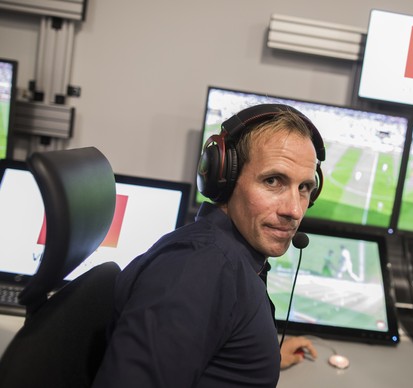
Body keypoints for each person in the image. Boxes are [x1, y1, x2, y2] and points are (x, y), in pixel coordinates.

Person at [92, 104, 325, 388]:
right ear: (224, 179)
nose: (294, 210)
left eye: (304, 188)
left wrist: (255, 357)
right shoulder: (201, 269)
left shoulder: (231, 259)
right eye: (273, 181)